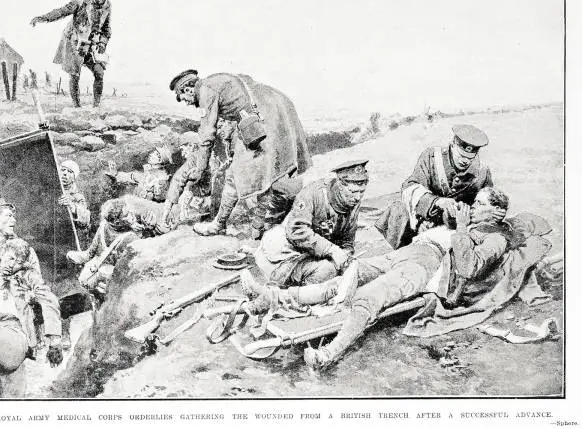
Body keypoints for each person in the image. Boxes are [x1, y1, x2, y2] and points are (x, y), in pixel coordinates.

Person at [261, 187, 512, 370]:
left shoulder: (495, 237)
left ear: (497, 212)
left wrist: (459, 228)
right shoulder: (469, 224)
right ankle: (272, 299)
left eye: (480, 204)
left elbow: (469, 268)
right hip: (409, 253)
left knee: (370, 296)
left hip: (426, 265)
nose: (473, 206)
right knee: (350, 276)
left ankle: (328, 353)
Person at [169, 69, 311, 240]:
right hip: (273, 112)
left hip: (265, 119)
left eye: (182, 97)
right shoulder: (215, 80)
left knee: (247, 175)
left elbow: (207, 134)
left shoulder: (206, 90)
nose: (185, 102)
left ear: (188, 89)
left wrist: (200, 168)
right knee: (262, 175)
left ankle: (226, 226)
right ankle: (253, 228)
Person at [375, 125, 498, 250]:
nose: (465, 161)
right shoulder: (431, 157)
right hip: (421, 220)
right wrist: (438, 201)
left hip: (454, 225)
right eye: (461, 156)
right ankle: (398, 252)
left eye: (469, 158)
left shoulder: (482, 172)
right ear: (452, 145)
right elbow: (410, 186)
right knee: (397, 210)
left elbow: (489, 201)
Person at [252, 160, 369, 288]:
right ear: (340, 185)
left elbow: (347, 239)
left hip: (314, 252)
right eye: (353, 192)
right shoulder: (313, 193)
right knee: (327, 271)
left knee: (343, 271)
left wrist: (346, 257)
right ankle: (288, 293)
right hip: (286, 251)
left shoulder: (352, 203)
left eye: (361, 192)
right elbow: (296, 231)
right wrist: (332, 250)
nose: (358, 197)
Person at [0, 238, 64, 363]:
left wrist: (55, 342)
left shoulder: (26, 276)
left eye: (18, 262)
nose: (12, 265)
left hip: (14, 332)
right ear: (2, 254)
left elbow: (49, 299)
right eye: (10, 258)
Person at [31, 0, 111, 108]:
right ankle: (76, 106)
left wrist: (102, 43)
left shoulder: (107, 6)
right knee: (75, 75)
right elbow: (61, 12)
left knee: (99, 72)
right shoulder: (80, 2)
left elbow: (107, 29)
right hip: (74, 42)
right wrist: (42, 18)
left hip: (92, 45)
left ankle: (96, 107)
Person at [67, 197, 162, 293]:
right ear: (117, 222)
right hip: (114, 277)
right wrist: (150, 230)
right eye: (127, 214)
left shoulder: (104, 224)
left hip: (97, 267)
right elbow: (146, 256)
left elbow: (90, 253)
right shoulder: (130, 238)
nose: (132, 214)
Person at [157, 131, 214, 231]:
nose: (182, 151)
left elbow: (178, 182)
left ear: (191, 146)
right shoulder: (197, 159)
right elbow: (178, 181)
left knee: (185, 198)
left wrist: (165, 216)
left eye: (184, 147)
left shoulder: (193, 160)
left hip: (204, 200)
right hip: (204, 198)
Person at [105, 146, 172, 203]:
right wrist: (116, 173)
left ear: (160, 160)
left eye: (155, 154)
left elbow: (158, 199)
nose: (150, 155)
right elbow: (134, 176)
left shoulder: (162, 178)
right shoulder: (150, 171)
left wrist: (144, 194)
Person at [57, 159, 91, 235]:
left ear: (73, 178)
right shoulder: (52, 189)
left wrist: (72, 207)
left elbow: (86, 220)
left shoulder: (78, 197)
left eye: (69, 171)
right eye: (63, 170)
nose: (65, 173)